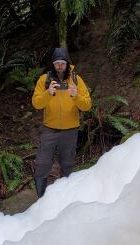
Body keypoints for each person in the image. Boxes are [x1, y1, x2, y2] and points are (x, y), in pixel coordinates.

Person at [31, 47, 92, 198]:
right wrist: (48, 93)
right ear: (52, 64)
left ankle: (64, 199)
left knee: (67, 164)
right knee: (42, 163)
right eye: (57, 63)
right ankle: (41, 200)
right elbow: (36, 104)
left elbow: (87, 105)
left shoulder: (76, 80)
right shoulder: (44, 80)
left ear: (67, 64)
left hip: (70, 130)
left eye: (62, 63)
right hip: (49, 129)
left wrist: (75, 95)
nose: (59, 66)